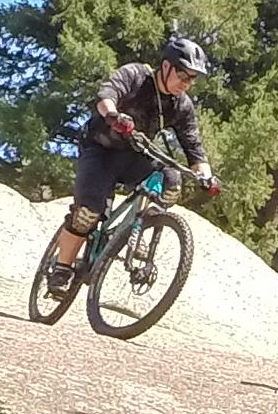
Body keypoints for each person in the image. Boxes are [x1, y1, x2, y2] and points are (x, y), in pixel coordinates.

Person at [46, 36, 218, 296]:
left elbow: (194, 149)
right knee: (87, 213)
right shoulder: (137, 75)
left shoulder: (181, 105)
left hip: (135, 156)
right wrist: (113, 116)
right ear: (166, 66)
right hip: (100, 149)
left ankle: (139, 227)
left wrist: (207, 177)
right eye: (184, 74)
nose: (187, 83)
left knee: (171, 179)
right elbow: (106, 94)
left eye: (193, 79)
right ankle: (62, 267)